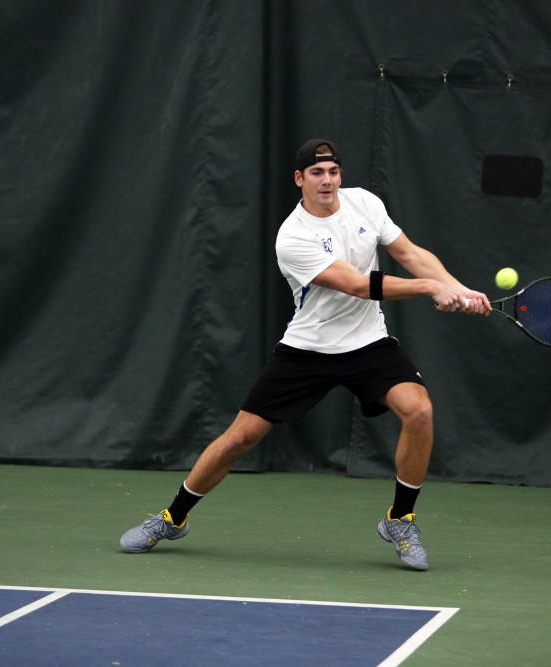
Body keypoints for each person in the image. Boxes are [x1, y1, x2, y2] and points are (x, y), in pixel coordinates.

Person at [120, 139, 491, 570]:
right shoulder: (292, 236)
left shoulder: (365, 204)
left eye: (333, 171)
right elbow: (355, 284)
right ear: (300, 180)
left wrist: (457, 288)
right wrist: (430, 288)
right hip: (307, 349)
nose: (328, 180)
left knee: (420, 412)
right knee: (239, 438)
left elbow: (408, 252)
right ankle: (172, 516)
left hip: (369, 342)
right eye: (317, 173)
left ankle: (400, 519)